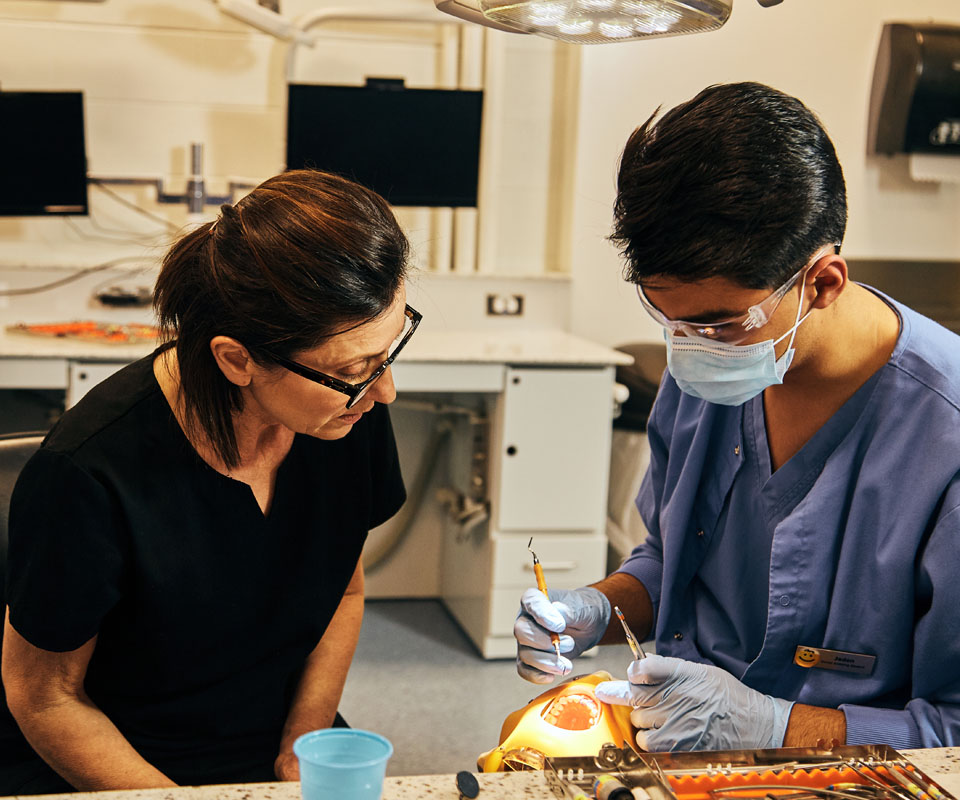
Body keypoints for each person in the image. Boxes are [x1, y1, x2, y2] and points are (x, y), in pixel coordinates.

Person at [514, 82, 960, 752]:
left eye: (715, 323)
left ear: (823, 282)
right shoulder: (712, 369)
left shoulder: (943, 440)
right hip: (686, 750)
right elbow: (674, 565)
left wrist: (777, 727)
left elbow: (953, 731)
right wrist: (596, 609)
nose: (689, 347)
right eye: (666, 318)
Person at [0, 169, 418, 792]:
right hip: (118, 758)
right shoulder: (87, 476)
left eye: (388, 352)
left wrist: (303, 737)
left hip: (266, 735)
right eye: (357, 367)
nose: (385, 390)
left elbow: (346, 592)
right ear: (235, 359)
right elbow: (43, 698)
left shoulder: (343, 414)